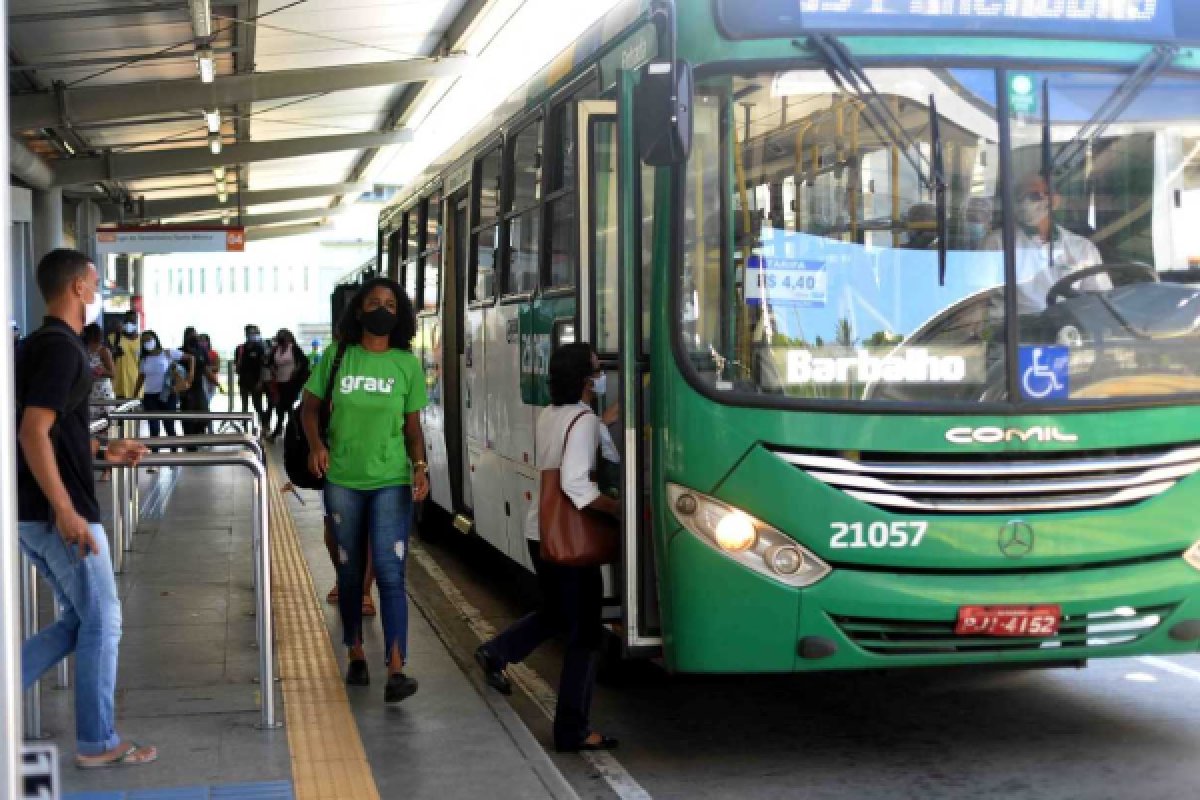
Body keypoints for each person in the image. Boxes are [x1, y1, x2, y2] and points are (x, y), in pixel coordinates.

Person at [15, 248, 157, 768]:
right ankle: (98, 743)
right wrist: (65, 509)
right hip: (59, 513)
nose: (97, 291)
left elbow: (51, 431)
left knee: (81, 621)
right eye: (93, 282)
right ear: (76, 287)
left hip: (37, 511)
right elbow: (32, 432)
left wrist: (103, 450)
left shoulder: (36, 346)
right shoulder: (61, 350)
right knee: (104, 621)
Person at [474, 342, 621, 753]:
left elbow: (580, 450)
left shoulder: (550, 415)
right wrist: (617, 509)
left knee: (557, 612)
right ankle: (572, 729)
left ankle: (497, 651)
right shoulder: (584, 419)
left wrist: (605, 420)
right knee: (585, 636)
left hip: (541, 531)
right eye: (596, 368)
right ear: (586, 378)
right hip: (570, 539)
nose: (601, 373)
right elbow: (577, 484)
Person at [301, 276, 429, 704]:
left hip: (392, 480)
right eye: (374, 302)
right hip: (343, 479)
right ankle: (356, 651)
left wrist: (420, 467)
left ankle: (396, 668)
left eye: (390, 304)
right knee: (351, 570)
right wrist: (318, 446)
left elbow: (412, 429)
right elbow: (310, 408)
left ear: (401, 314)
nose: (382, 309)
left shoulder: (407, 365)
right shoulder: (338, 356)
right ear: (359, 311)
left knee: (391, 572)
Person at [983, 172, 1107, 312]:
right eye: (1020, 198)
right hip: (1017, 328)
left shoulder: (1082, 248)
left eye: (1034, 196)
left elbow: (1100, 299)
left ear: (1054, 201)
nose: (1026, 203)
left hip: (1069, 327)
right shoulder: (998, 242)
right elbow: (982, 298)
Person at [133, 330, 191, 441]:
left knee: (169, 426)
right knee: (154, 428)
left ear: (155, 339)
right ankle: (155, 454)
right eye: (144, 341)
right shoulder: (143, 359)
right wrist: (134, 395)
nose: (147, 342)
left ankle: (173, 452)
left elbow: (190, 358)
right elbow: (141, 377)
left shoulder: (167, 353)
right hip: (150, 397)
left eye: (149, 339)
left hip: (167, 395)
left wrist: (190, 376)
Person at [267, 328, 308, 441]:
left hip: (292, 382)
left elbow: (304, 361)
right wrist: (273, 370)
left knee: (286, 406)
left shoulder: (293, 348)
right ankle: (294, 432)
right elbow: (269, 362)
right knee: (282, 407)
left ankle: (288, 432)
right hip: (280, 382)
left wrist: (296, 371)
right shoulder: (276, 349)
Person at [180, 327, 217, 436]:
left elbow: (206, 369)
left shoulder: (202, 351)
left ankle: (197, 432)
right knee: (187, 417)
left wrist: (215, 382)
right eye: (190, 335)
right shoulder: (180, 351)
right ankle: (190, 442)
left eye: (195, 335)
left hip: (199, 387)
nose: (193, 337)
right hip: (185, 388)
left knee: (204, 415)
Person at [234, 325, 269, 426]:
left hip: (256, 380)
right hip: (244, 380)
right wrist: (239, 363)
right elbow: (237, 368)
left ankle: (264, 426)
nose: (252, 335)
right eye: (250, 333)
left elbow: (263, 366)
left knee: (258, 405)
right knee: (244, 405)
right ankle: (244, 427)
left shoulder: (260, 348)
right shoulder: (240, 349)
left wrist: (260, 382)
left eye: (254, 333)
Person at [83, 323, 115, 412]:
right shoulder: (83, 349)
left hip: (103, 392)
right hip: (89, 392)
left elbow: (112, 373)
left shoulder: (103, 351)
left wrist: (100, 371)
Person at [109, 311, 141, 399]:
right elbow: (108, 358)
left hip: (136, 386)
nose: (129, 323)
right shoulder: (113, 338)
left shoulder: (142, 340)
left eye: (132, 321)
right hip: (118, 385)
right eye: (127, 321)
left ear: (136, 323)